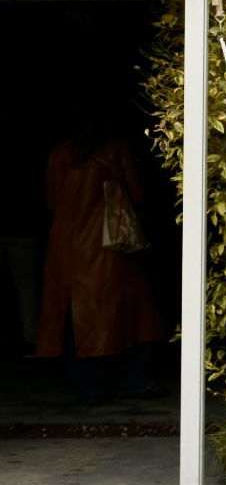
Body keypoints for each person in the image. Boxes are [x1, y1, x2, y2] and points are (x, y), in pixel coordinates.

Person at [34, 121, 164, 404]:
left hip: (65, 246)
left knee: (74, 321)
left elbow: (52, 201)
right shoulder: (116, 149)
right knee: (141, 318)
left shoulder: (60, 152)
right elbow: (136, 193)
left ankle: (89, 389)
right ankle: (132, 380)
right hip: (107, 245)